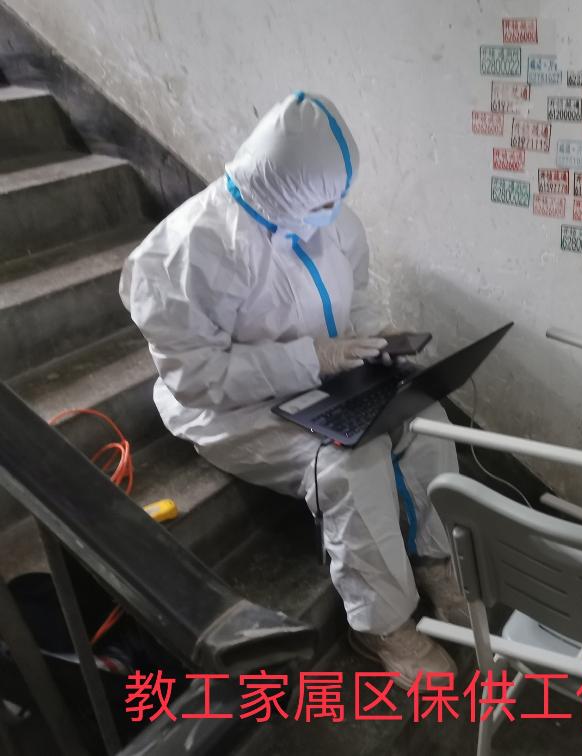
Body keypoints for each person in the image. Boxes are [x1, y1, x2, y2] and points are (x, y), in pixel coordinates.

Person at [119, 91, 467, 686]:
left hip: (328, 377)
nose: (333, 212)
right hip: (234, 408)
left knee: (426, 419)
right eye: (323, 201)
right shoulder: (183, 254)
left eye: (337, 199)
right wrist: (310, 359)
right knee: (349, 462)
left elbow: (354, 296)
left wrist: (372, 338)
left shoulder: (328, 219)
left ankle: (435, 563)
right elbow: (197, 378)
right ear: (279, 188)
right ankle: (383, 626)